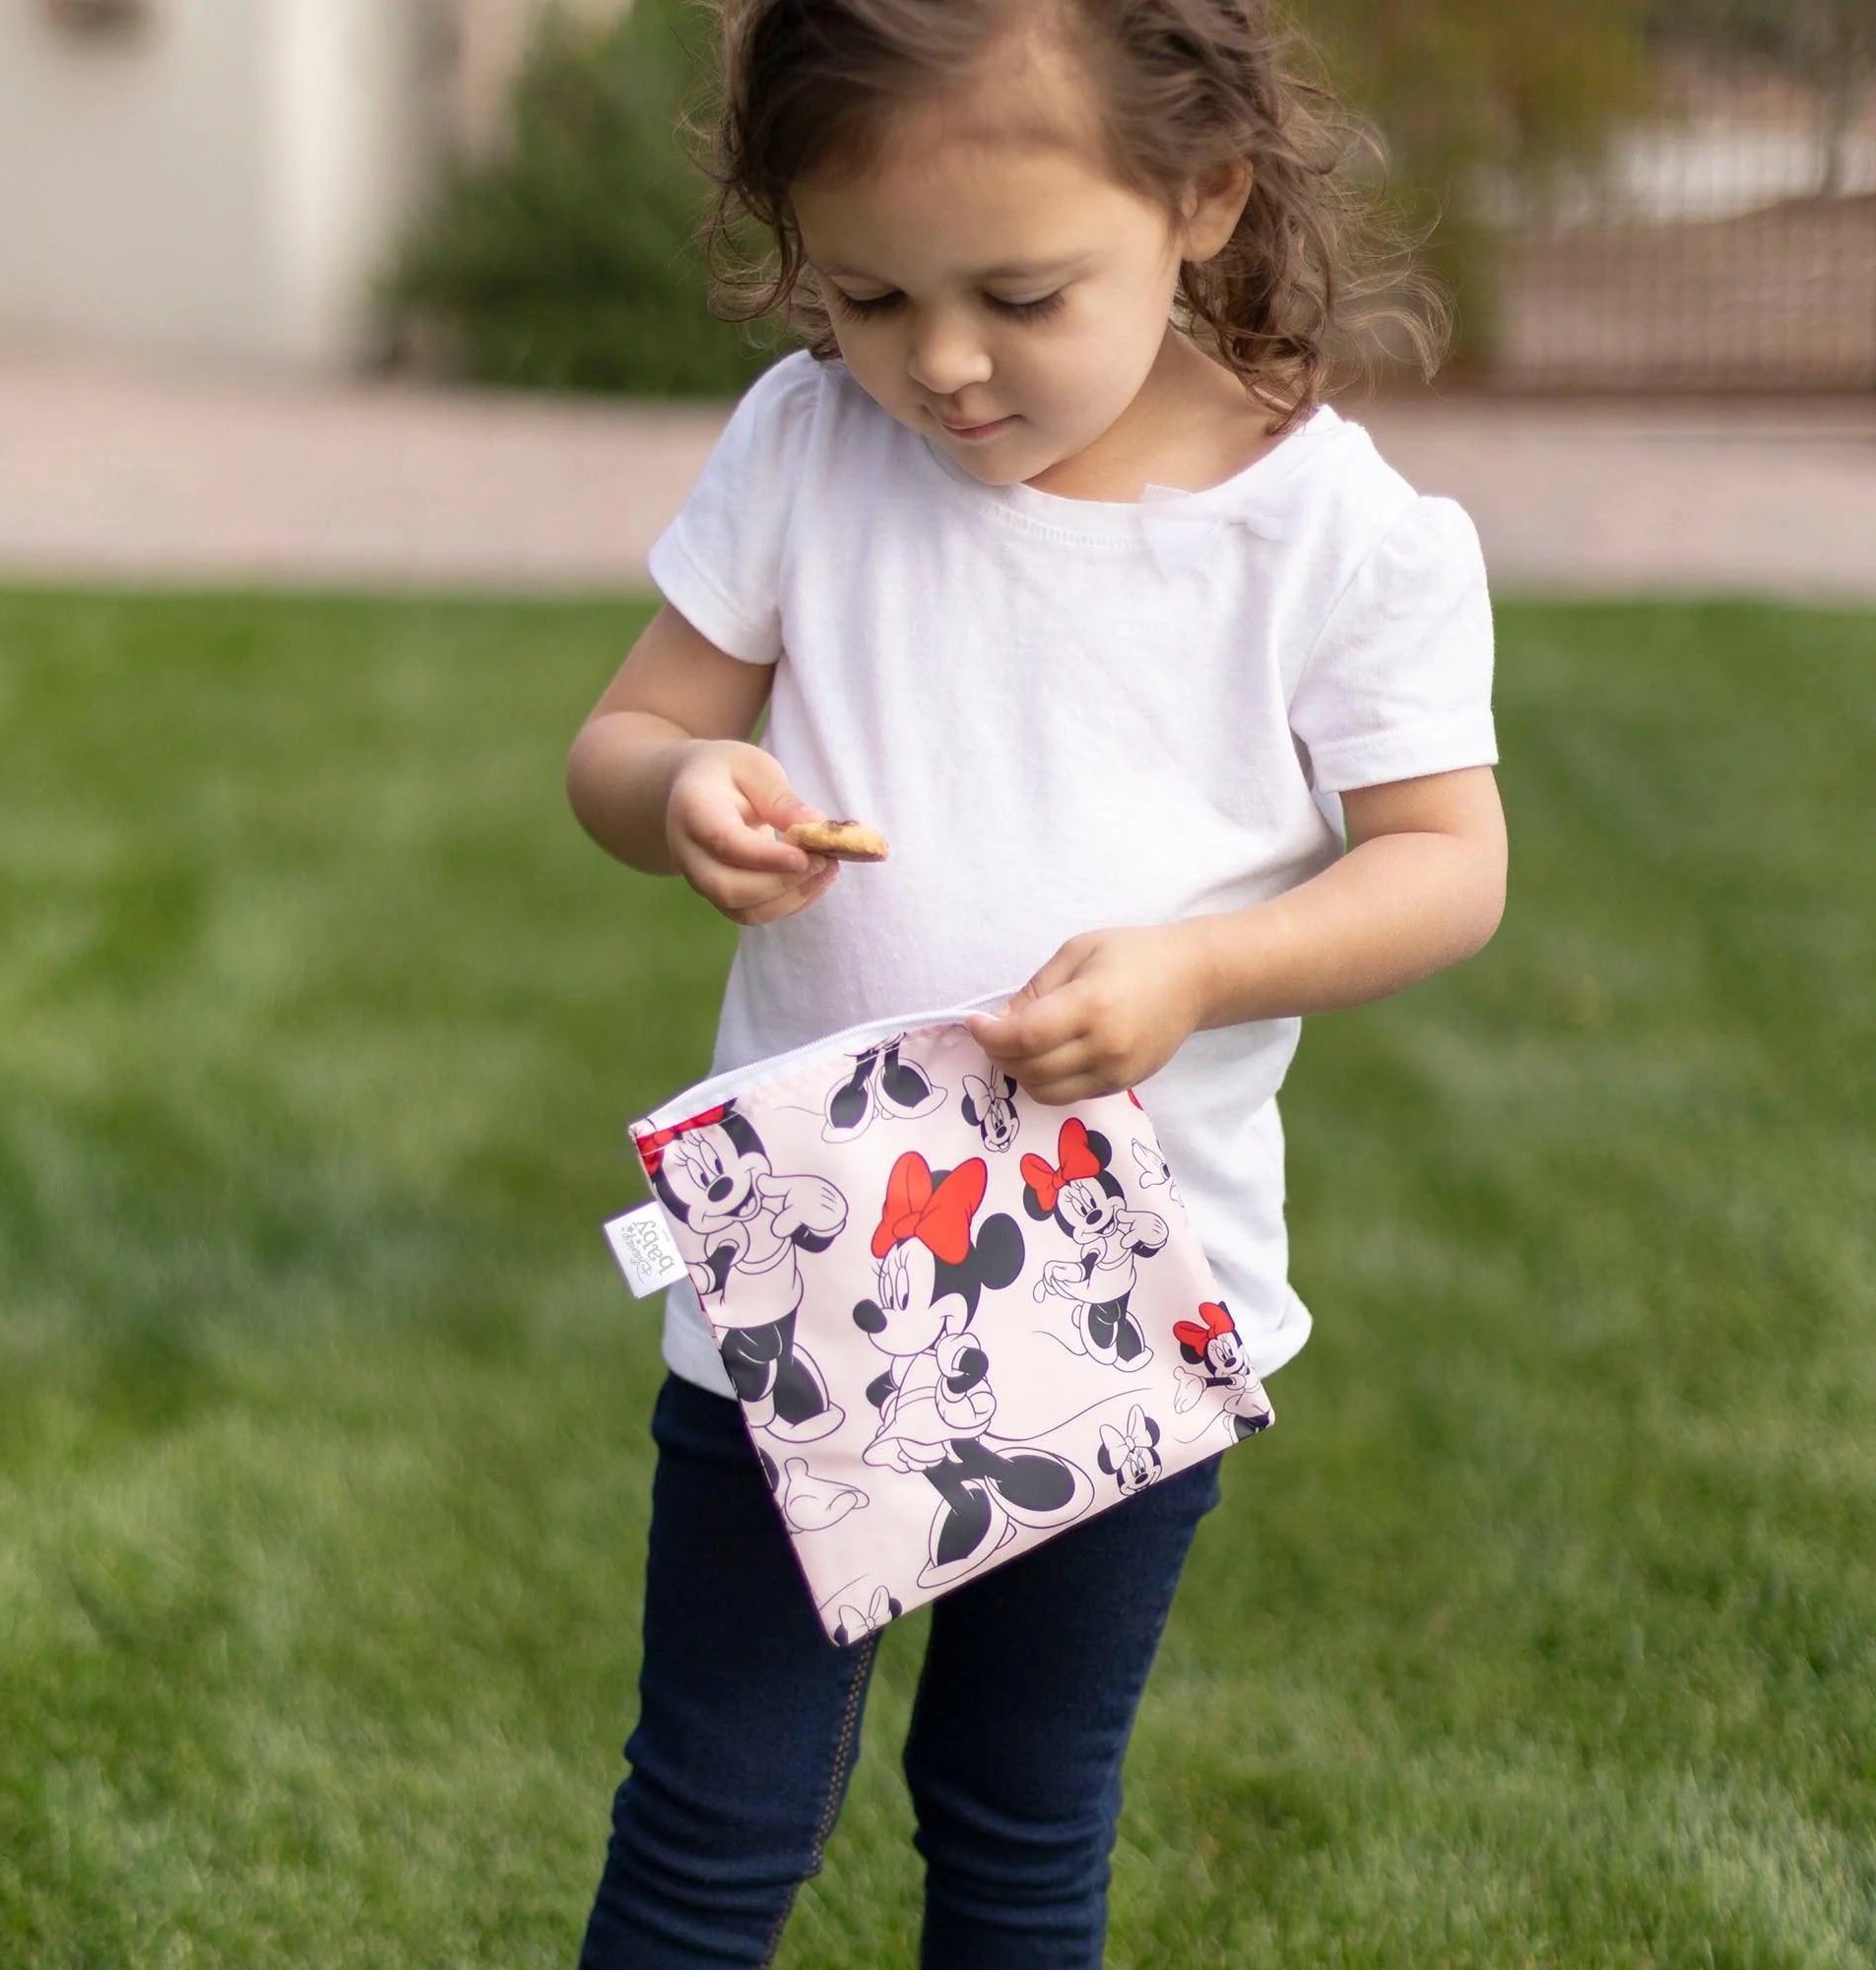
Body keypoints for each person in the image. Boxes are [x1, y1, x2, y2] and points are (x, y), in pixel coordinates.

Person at [563, 0, 1507, 1959]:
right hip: (804, 1290)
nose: (943, 361)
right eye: (871, 294)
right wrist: (684, 790)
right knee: (710, 1818)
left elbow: (1448, 865)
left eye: (1015, 290)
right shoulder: (811, 445)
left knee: (1013, 1826)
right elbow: (622, 741)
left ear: (1202, 195)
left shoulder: (1328, 539)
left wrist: (1204, 964)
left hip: (1119, 1320)